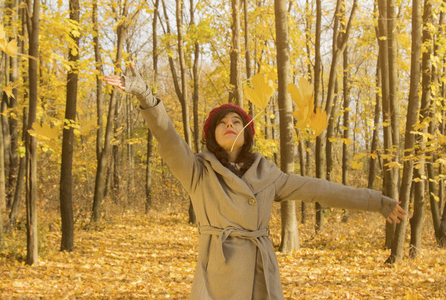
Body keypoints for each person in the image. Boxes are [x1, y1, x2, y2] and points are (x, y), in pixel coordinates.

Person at [103, 64, 406, 300]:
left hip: (262, 270)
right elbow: (167, 136)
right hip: (218, 272)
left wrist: (377, 202)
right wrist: (144, 93)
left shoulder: (268, 174)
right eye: (222, 122)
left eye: (236, 121)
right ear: (212, 135)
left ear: (247, 133)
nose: (230, 125)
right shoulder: (197, 170)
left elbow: (320, 189)